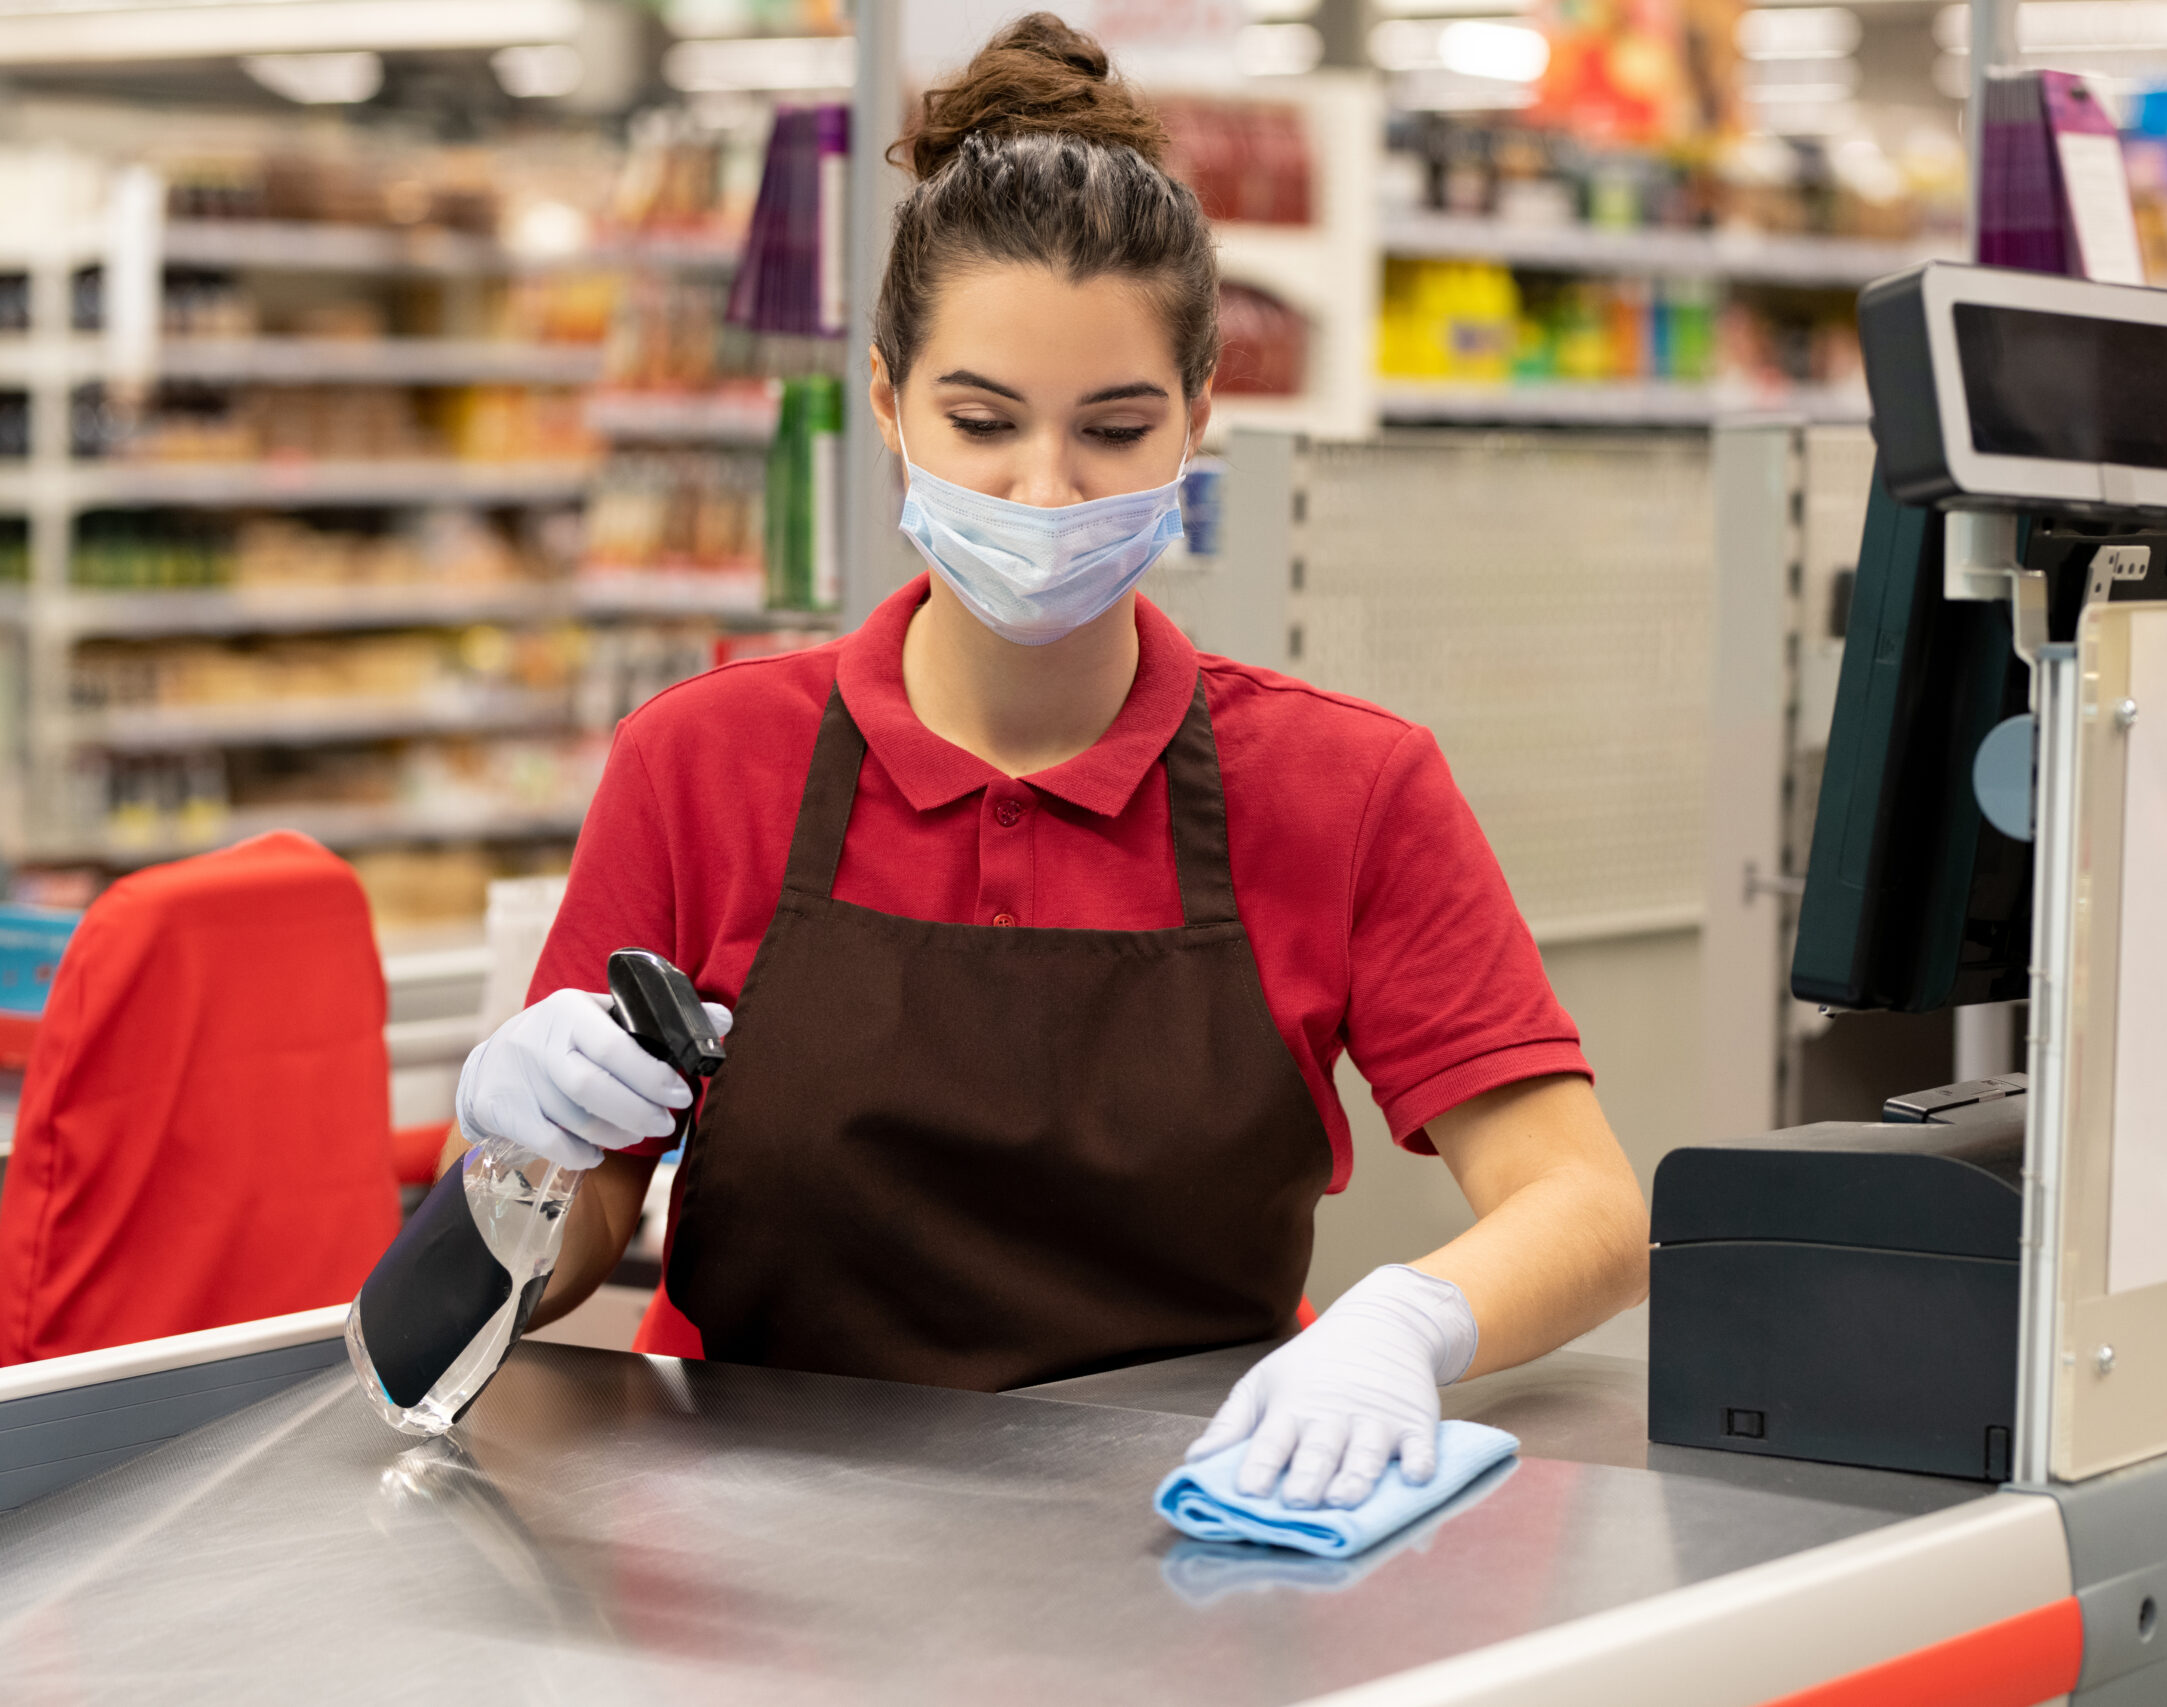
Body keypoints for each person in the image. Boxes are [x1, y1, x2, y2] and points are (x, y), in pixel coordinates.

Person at [460, 14, 1647, 1512]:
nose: (1043, 489)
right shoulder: (705, 762)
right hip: (736, 1554)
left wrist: (1403, 1324)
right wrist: (518, 1161)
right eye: (981, 421)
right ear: (889, 406)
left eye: (1114, 429)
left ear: (1199, 424)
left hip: (1181, 1531)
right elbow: (556, 1267)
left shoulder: (1346, 790)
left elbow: (1587, 1206)